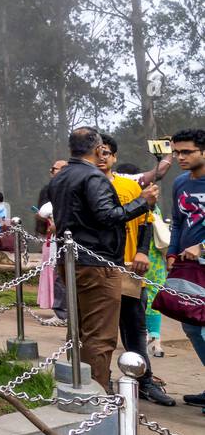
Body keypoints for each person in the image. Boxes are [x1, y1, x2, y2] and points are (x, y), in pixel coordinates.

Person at [46, 127, 157, 391]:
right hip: (97, 263)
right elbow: (107, 216)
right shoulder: (93, 177)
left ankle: (79, 384)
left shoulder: (59, 178)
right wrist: (142, 202)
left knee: (80, 330)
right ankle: (96, 393)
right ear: (97, 150)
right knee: (100, 334)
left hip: (71, 260)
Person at [101, 140, 173, 405]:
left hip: (130, 269)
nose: (101, 157)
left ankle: (144, 381)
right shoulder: (82, 186)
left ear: (114, 157)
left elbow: (145, 222)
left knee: (135, 327)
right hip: (97, 269)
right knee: (99, 331)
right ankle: (101, 382)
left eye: (105, 153)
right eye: (96, 152)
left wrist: (142, 252)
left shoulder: (130, 186)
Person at [165, 129, 205, 408]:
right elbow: (178, 222)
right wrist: (171, 252)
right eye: (176, 152)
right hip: (188, 269)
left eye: (187, 151)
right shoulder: (180, 183)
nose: (180, 157)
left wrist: (203, 247)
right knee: (191, 327)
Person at [36, 160, 68, 325]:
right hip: (58, 241)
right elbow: (42, 212)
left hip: (72, 241)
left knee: (63, 277)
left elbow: (44, 211)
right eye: (56, 169)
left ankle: (63, 315)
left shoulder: (69, 187)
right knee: (60, 275)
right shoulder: (51, 189)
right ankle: (62, 313)